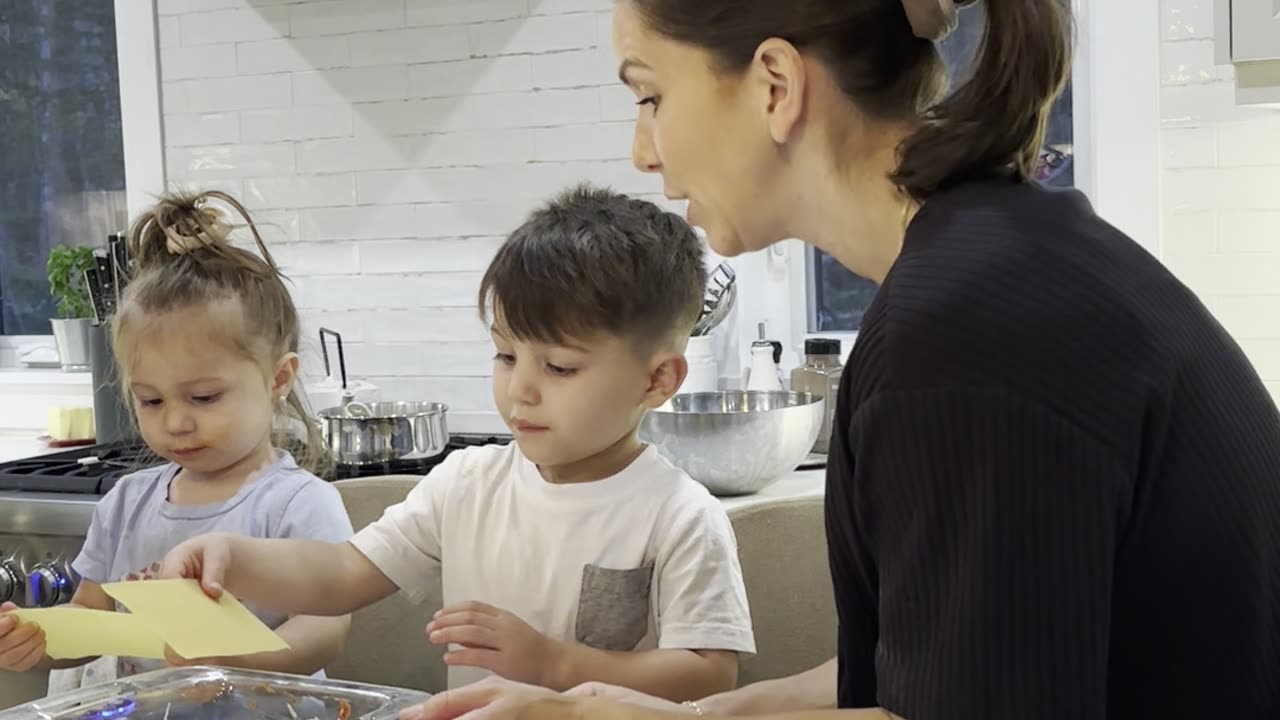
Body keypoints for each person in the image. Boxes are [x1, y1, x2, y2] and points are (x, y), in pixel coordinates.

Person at [399, 0, 1280, 718]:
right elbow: (933, 670)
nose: (643, 150)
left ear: (775, 84)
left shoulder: (963, 336)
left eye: (651, 96)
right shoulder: (993, 263)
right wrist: (692, 714)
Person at [158, 184, 756, 701]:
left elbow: (709, 674)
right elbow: (343, 572)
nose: (520, 389)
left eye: (560, 368)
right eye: (505, 355)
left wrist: (555, 664)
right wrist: (236, 559)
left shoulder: (679, 516)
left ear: (657, 380)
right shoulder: (467, 483)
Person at [0, 190, 354, 686]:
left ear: (278, 379)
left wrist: (238, 662)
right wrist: (38, 644)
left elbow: (326, 627)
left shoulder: (299, 504)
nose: (176, 423)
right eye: (151, 400)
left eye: (204, 398)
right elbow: (92, 624)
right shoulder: (126, 503)